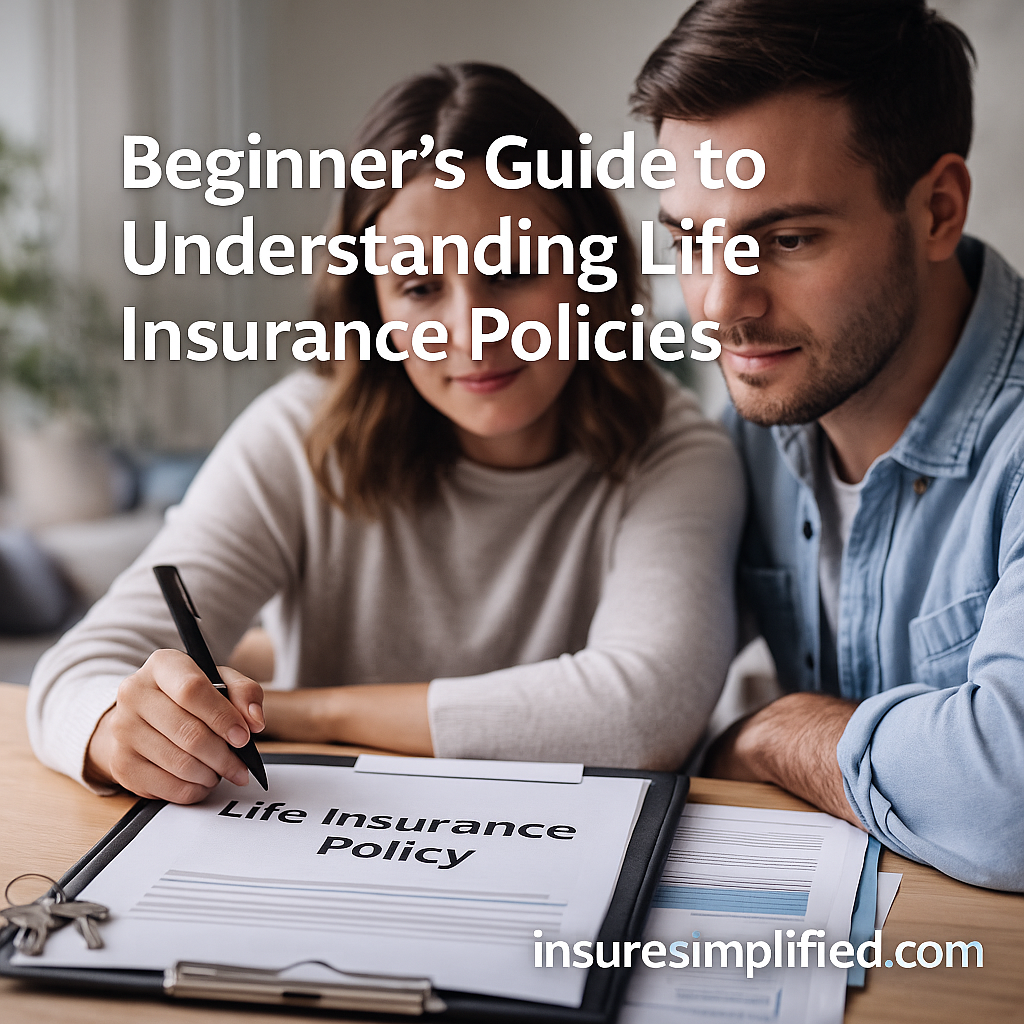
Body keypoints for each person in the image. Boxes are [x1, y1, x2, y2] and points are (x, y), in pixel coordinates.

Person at [27, 63, 744, 804]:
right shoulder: (300, 433)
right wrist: (118, 726)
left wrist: (303, 706)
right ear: (374, 304)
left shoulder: (676, 451)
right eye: (421, 288)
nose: (472, 332)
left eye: (513, 270)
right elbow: (72, 675)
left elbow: (641, 717)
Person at [632, 0, 1024, 890]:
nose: (721, 306)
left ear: (937, 210)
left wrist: (779, 729)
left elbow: (1010, 803)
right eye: (692, 238)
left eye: (787, 238)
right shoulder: (746, 438)